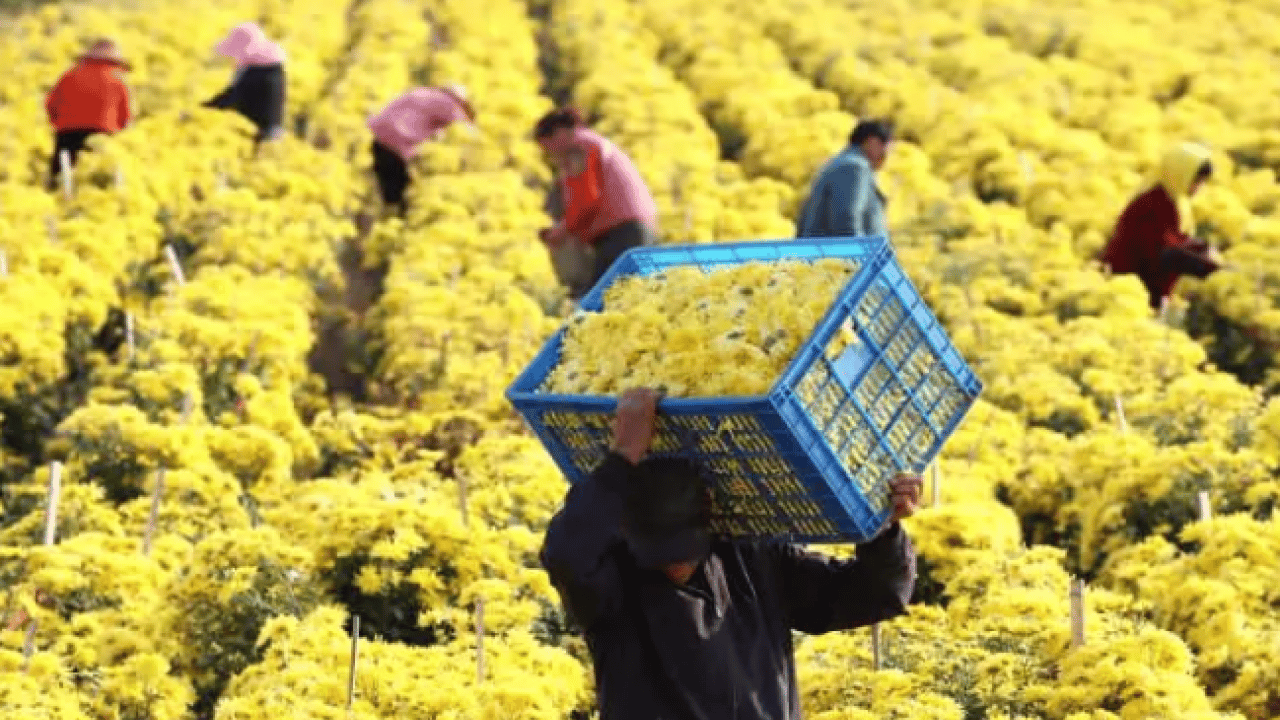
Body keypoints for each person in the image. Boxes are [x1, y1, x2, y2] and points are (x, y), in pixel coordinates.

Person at [541, 387, 919, 720]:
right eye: (658, 551)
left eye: (684, 549)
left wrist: (881, 528)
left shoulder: (752, 556)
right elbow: (564, 552)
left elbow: (875, 594)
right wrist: (623, 457)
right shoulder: (611, 588)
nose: (675, 566)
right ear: (626, 529)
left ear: (710, 515)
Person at [533, 108, 659, 300]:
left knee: (599, 300)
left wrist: (562, 231)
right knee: (622, 296)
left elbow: (586, 198)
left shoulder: (578, 147)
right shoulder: (591, 142)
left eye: (547, 146)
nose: (550, 153)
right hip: (635, 227)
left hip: (622, 231)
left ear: (559, 133)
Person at [1100, 142, 1223, 312]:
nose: (1198, 188)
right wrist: (1216, 271)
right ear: (1180, 174)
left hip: (1143, 295)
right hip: (1126, 297)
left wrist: (1202, 248)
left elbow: (1176, 240)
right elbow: (1164, 253)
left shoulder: (1173, 201)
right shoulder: (1152, 204)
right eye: (1196, 181)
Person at [366, 84, 476, 216]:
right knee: (405, 197)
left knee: (387, 192)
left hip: (378, 139)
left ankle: (382, 220)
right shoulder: (448, 102)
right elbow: (465, 129)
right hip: (397, 145)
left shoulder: (422, 92)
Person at [44, 39, 133, 191]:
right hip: (103, 134)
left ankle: (54, 190)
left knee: (60, 170)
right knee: (101, 174)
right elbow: (125, 117)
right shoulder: (119, 81)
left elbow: (51, 104)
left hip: (68, 132)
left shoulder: (70, 75)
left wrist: (57, 123)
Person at [796, 119, 893, 240]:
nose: (887, 156)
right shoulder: (853, 167)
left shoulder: (841, 163)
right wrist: (860, 255)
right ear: (872, 141)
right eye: (887, 148)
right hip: (837, 257)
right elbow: (845, 219)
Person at [203, 23, 288, 144]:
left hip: (259, 135)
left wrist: (205, 108)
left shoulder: (258, 74)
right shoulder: (272, 69)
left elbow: (234, 97)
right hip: (269, 130)